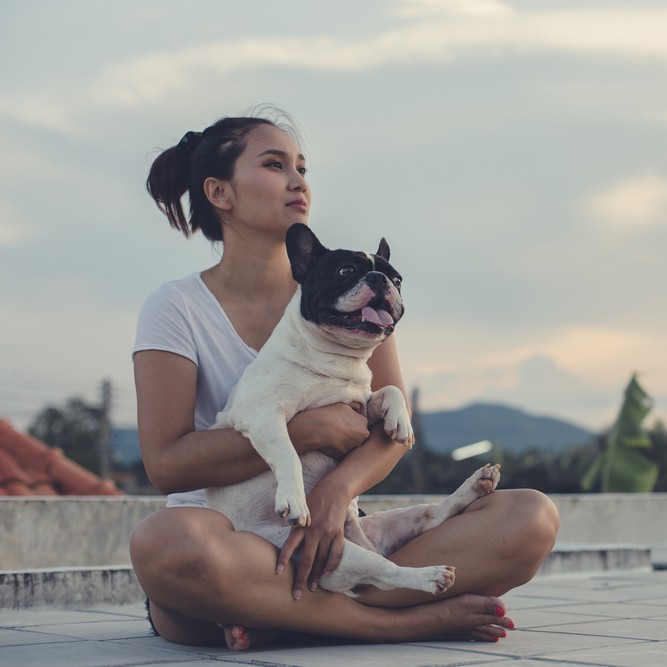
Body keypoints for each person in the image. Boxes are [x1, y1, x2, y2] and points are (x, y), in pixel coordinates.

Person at [129, 110, 560, 651]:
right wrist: (308, 431)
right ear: (220, 192)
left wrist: (336, 495)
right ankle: (399, 622)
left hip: (336, 534)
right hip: (235, 539)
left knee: (529, 517)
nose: (298, 181)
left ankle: (277, 617)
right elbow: (167, 465)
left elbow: (393, 435)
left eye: (302, 168)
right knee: (165, 544)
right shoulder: (176, 307)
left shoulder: (357, 293)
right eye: (274, 165)